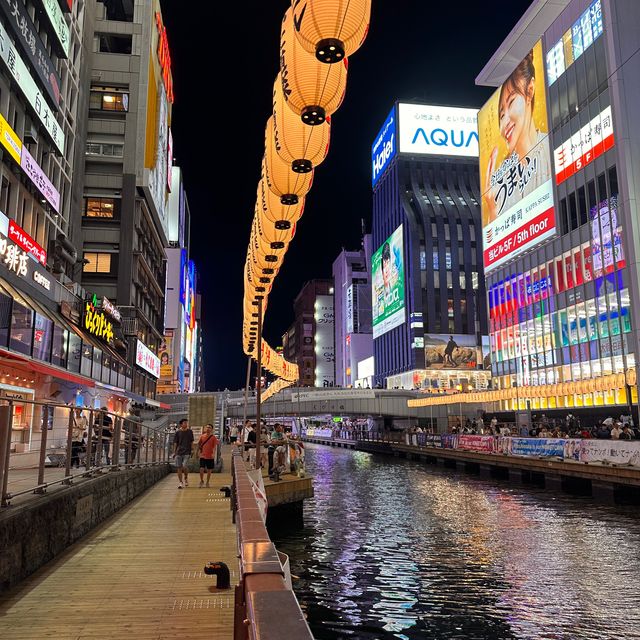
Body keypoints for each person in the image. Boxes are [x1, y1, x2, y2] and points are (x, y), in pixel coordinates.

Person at [483, 48, 552, 226]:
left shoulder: (551, 148)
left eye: (512, 102)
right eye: (500, 115)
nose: (505, 121)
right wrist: (491, 206)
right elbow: (496, 245)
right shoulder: (501, 181)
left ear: (530, 91)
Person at [173, 418, 194, 489]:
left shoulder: (190, 431)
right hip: (179, 452)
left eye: (186, 423)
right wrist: (174, 452)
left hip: (187, 452)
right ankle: (180, 482)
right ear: (181, 424)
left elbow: (191, 441)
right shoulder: (177, 432)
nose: (186, 424)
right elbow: (175, 443)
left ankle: (186, 478)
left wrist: (192, 449)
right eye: (185, 423)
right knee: (179, 467)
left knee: (184, 466)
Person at [197, 423, 219, 488]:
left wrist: (213, 454)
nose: (207, 428)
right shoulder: (202, 436)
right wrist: (197, 453)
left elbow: (214, 447)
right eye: (207, 427)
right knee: (201, 468)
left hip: (210, 456)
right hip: (203, 455)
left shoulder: (213, 437)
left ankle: (207, 482)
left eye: (209, 427)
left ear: (212, 429)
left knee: (209, 470)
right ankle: (201, 480)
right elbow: (199, 444)